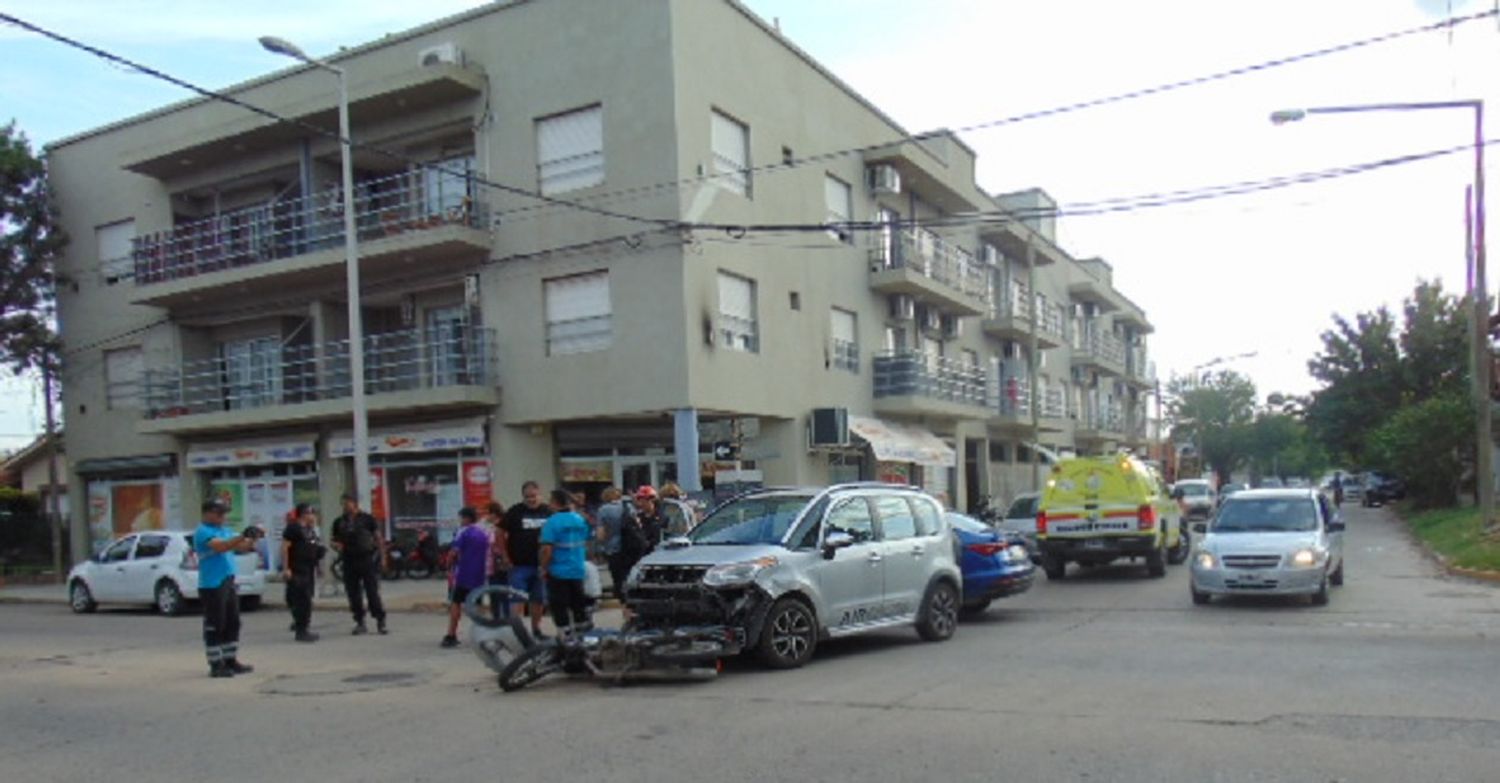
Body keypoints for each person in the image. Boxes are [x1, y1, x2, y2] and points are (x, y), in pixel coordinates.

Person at [194, 500, 258, 678]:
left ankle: (230, 659)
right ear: (207, 513)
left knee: (233, 622)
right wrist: (241, 536)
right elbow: (221, 546)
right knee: (216, 624)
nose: (223, 517)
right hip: (211, 584)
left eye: (224, 514)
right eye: (219, 513)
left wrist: (253, 537)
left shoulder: (224, 530)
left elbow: (242, 546)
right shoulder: (203, 531)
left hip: (228, 580)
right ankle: (216, 663)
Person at [500, 481, 552, 639]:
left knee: (539, 599)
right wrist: (504, 556)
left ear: (540, 495)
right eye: (527, 497)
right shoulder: (515, 511)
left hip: (542, 565)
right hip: (519, 565)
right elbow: (499, 532)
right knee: (517, 598)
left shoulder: (548, 511)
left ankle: (536, 630)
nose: (531, 499)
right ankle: (516, 631)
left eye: (534, 496)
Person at [331, 493, 388, 636]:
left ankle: (380, 621)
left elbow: (378, 538)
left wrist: (383, 558)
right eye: (343, 504)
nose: (344, 506)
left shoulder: (367, 519)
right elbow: (333, 540)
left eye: (347, 503)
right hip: (348, 560)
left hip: (366, 559)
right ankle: (360, 622)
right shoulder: (339, 522)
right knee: (353, 593)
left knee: (372, 592)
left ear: (354, 503)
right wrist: (336, 545)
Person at [540, 488, 592, 633]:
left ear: (555, 502)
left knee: (560, 607)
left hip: (558, 572)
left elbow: (547, 550)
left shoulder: (551, 522)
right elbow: (586, 541)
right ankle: (582, 636)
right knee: (578, 606)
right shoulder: (579, 520)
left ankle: (566, 637)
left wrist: (543, 567)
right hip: (577, 569)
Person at [442, 507, 492, 648]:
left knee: (456, 602)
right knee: (477, 605)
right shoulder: (484, 532)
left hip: (463, 573)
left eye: (461, 518)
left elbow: (454, 552)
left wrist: (448, 566)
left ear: (466, 518)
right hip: (480, 575)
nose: (460, 521)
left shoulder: (463, 532)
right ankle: (481, 636)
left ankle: (451, 634)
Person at [280, 503, 324, 643]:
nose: (313, 516)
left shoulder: (310, 530)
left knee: (306, 599)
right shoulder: (293, 528)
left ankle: (303, 626)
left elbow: (313, 549)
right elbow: (285, 548)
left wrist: (319, 566)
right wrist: (286, 568)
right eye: (311, 513)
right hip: (297, 569)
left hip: (308, 569)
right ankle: (301, 630)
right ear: (304, 514)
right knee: (300, 599)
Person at [595, 487, 631, 597]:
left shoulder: (603, 510)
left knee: (617, 577)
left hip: (612, 548)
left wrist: (599, 546)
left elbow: (601, 533)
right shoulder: (628, 507)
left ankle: (621, 598)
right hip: (629, 546)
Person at [482, 500, 510, 620]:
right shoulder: (487, 526)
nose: (486, 516)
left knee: (504, 591)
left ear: (494, 513)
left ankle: (506, 617)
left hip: (502, 562)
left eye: (488, 513)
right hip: (491, 564)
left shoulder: (503, 525)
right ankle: (497, 617)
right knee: (494, 592)